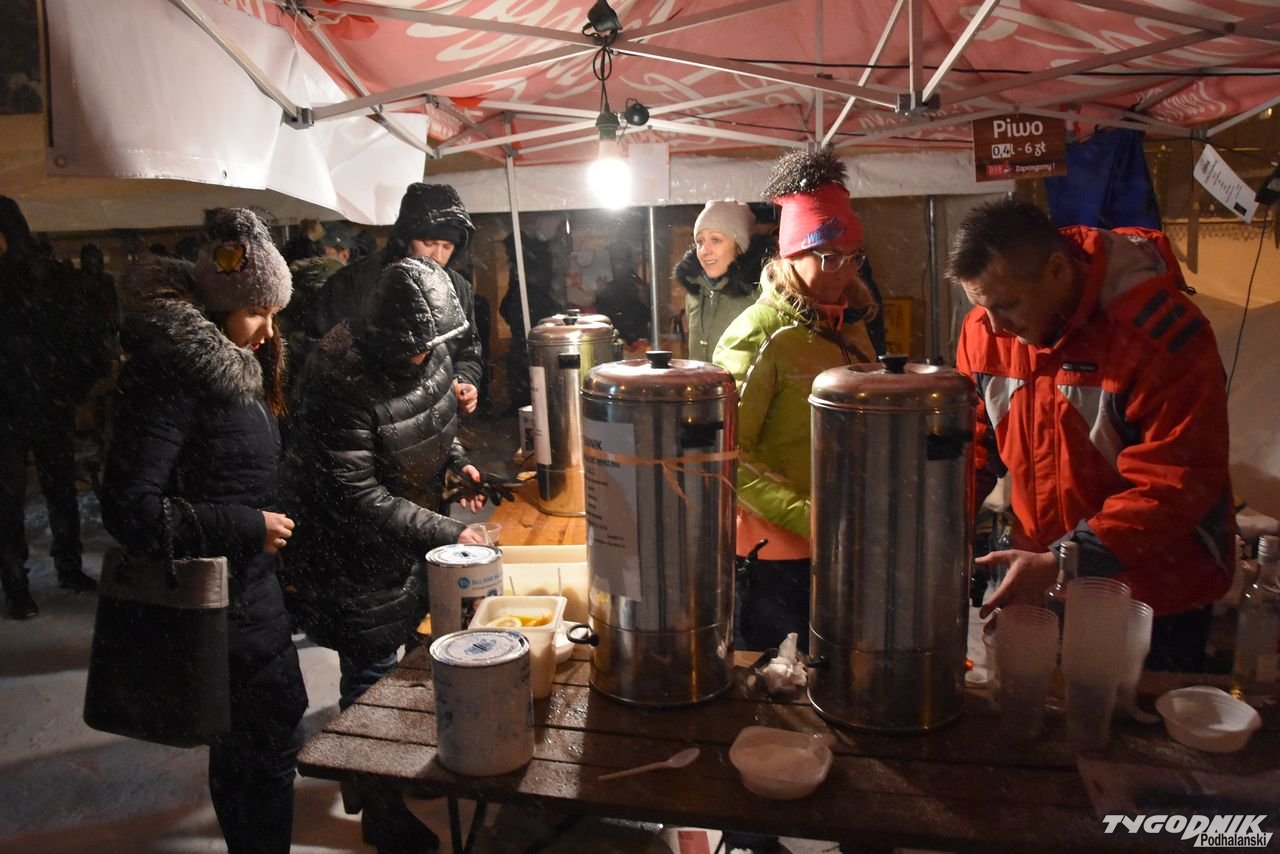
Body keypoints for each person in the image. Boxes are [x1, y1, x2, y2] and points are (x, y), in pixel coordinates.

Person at [950, 198, 1234, 671]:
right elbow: (973, 446)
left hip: (1154, 593)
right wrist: (946, 526)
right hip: (1043, 575)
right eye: (981, 306)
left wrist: (1067, 558)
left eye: (1008, 305)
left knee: (1139, 712)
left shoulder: (1161, 336)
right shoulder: (984, 330)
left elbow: (1176, 481)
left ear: (1058, 270)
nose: (995, 327)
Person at [99, 208, 307, 852]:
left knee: (253, 749)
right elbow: (131, 509)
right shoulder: (174, 375)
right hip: (217, 602)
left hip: (251, 592)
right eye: (256, 313)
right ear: (217, 307)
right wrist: (246, 526)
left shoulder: (240, 365)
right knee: (262, 752)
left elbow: (236, 468)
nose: (269, 330)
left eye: (274, 314)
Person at [282, 255, 497, 851]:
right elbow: (355, 493)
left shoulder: (430, 347)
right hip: (350, 553)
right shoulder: (339, 381)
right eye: (416, 349)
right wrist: (445, 531)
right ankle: (380, 811)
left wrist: (457, 464)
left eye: (433, 346)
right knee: (372, 677)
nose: (427, 356)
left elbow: (433, 421)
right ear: (388, 336)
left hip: (407, 538)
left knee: (410, 665)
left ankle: (399, 772)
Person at [713, 148, 878, 654]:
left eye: (852, 255)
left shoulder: (850, 325)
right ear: (791, 254)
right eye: (828, 255)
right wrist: (809, 515)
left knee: (834, 673)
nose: (843, 270)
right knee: (775, 683)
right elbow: (725, 455)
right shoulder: (759, 332)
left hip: (842, 542)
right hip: (773, 557)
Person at [0, 196, 109, 618]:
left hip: (34, 404)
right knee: (29, 497)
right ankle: (31, 578)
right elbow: (86, 342)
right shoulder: (50, 280)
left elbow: (84, 342)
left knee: (41, 494)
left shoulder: (46, 282)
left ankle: (44, 574)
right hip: (32, 405)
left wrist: (69, 390)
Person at [311, 183, 484, 415]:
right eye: (429, 243)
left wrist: (464, 381)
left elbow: (468, 351)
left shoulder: (457, 288)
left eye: (447, 246)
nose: (438, 255)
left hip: (435, 420)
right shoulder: (353, 282)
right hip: (368, 418)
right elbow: (326, 355)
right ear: (405, 237)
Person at [673, 199, 769, 361]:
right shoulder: (694, 292)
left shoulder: (760, 298)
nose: (704, 251)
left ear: (740, 247)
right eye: (700, 242)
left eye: (716, 240)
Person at [595, 240, 651, 349]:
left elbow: (648, 316)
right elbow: (601, 314)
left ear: (628, 263)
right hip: (611, 340)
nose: (616, 265)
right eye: (613, 261)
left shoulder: (636, 285)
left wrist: (645, 299)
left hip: (635, 343)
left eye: (621, 261)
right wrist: (599, 294)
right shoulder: (606, 284)